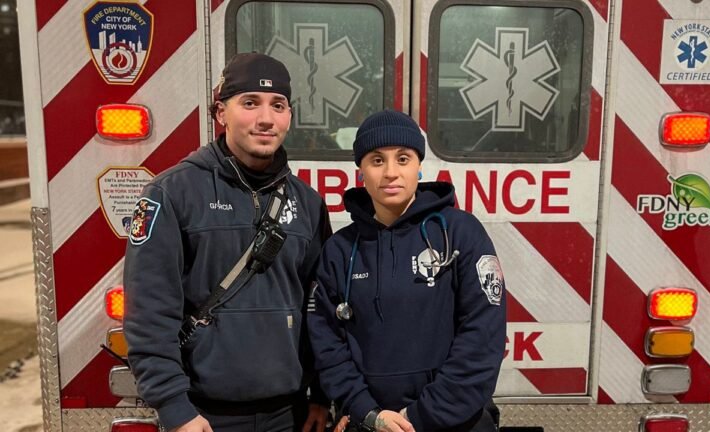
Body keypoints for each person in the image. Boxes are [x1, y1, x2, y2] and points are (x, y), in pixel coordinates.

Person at [124, 53, 331, 432]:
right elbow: (149, 312)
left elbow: (319, 310)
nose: (265, 118)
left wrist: (321, 393)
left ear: (289, 115)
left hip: (289, 416)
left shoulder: (309, 204)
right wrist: (173, 407)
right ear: (221, 113)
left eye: (278, 105)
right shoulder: (171, 194)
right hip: (203, 416)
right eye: (249, 103)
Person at [307, 110, 506, 432]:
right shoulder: (340, 250)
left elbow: (482, 338)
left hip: (457, 422)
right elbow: (328, 344)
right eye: (376, 160)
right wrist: (367, 412)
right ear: (360, 171)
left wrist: (419, 417)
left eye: (403, 159)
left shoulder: (460, 233)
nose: (390, 173)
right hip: (372, 423)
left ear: (418, 166)